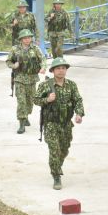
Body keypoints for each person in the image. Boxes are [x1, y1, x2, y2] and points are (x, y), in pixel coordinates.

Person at [34, 57, 85, 190]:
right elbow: (36, 100)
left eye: (63, 68)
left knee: (64, 149)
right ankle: (56, 175)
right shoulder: (46, 85)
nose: (61, 71)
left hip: (66, 124)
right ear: (53, 71)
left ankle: (57, 165)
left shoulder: (72, 85)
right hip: (51, 124)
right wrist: (47, 99)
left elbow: (78, 100)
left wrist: (79, 114)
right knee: (54, 150)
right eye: (58, 68)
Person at [6, 29, 45, 134]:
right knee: (21, 101)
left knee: (30, 101)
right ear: (21, 39)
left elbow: (43, 59)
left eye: (29, 37)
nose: (27, 39)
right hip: (19, 78)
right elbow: (8, 61)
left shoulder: (35, 49)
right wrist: (14, 65)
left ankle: (26, 115)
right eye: (25, 38)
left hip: (32, 79)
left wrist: (43, 67)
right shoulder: (15, 49)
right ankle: (21, 123)